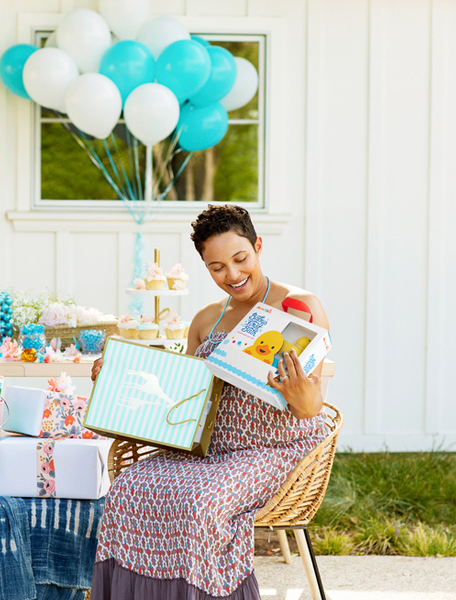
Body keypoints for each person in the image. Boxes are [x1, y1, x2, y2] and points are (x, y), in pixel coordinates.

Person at [89, 204, 330, 598]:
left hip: (273, 447)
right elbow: (182, 399)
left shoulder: (297, 306)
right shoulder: (205, 320)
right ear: (205, 267)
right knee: (127, 488)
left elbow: (308, 409)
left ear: (258, 246)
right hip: (206, 449)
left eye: (241, 259)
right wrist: (116, 376)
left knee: (201, 502)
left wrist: (295, 391)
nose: (232, 275)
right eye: (217, 267)